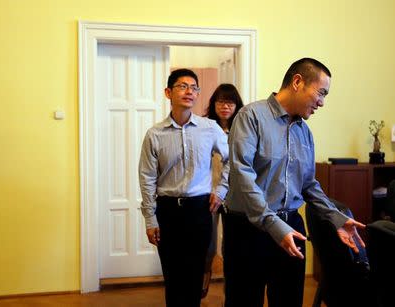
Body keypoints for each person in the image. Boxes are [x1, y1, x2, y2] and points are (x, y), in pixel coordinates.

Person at [223, 58, 366, 307]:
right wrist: (274, 226)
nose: (322, 102)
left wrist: (336, 218)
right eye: (321, 93)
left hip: (292, 227)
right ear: (298, 82)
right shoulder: (251, 116)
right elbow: (242, 175)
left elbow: (309, 185)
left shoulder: (305, 132)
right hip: (248, 230)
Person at [138, 69, 229, 306]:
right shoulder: (155, 134)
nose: (189, 91)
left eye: (194, 87)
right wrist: (150, 219)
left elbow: (232, 159)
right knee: (173, 276)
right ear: (168, 92)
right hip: (167, 210)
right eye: (182, 86)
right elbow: (147, 177)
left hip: (199, 209)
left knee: (194, 274)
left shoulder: (210, 129)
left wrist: (220, 191)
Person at [201, 83, 243, 298]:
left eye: (230, 102)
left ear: (236, 105)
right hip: (208, 193)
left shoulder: (242, 129)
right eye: (220, 101)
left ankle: (232, 288)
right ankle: (204, 277)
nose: (225, 106)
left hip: (234, 195)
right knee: (207, 242)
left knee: (231, 244)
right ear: (213, 104)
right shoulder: (204, 127)